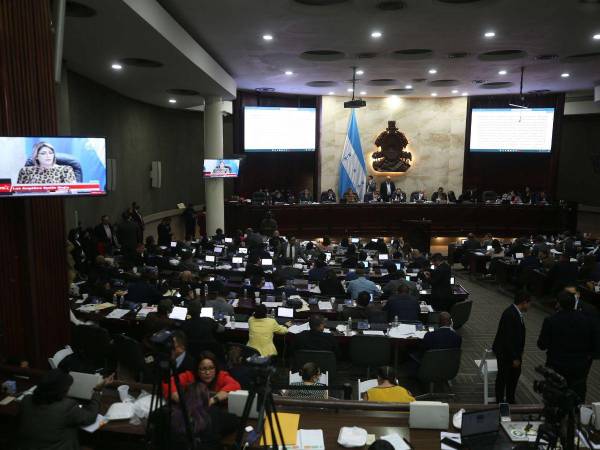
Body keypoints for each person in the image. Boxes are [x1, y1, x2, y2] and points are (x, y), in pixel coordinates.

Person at [18, 369, 112, 450]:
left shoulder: (26, 400)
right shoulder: (66, 406)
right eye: (67, 388)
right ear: (59, 391)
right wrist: (97, 392)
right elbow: (90, 417)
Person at [537, 291, 596, 402]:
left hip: (556, 368)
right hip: (579, 369)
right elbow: (593, 345)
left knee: (554, 398)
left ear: (559, 304)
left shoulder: (551, 320)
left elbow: (542, 345)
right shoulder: (587, 321)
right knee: (576, 398)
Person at [492, 291, 531, 404]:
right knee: (503, 377)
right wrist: (514, 357)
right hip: (506, 354)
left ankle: (510, 399)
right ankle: (500, 401)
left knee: (513, 377)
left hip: (512, 353)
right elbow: (508, 338)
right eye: (529, 304)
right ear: (524, 302)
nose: (529, 306)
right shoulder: (510, 314)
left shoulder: (515, 313)